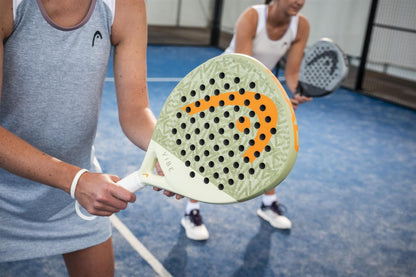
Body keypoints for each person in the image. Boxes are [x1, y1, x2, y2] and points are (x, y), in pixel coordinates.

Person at [0, 0, 181, 275]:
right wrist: (75, 180)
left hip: (73, 196)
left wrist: (168, 150)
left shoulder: (126, 5)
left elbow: (135, 112)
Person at [181, 0, 312, 241]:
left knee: (267, 146)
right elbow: (245, 69)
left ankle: (268, 204)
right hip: (223, 85)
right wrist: (278, 98)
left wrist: (297, 91)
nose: (299, 1)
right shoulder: (252, 17)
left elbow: (292, 73)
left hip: (261, 90)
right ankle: (191, 211)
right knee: (207, 147)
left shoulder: (301, 26)